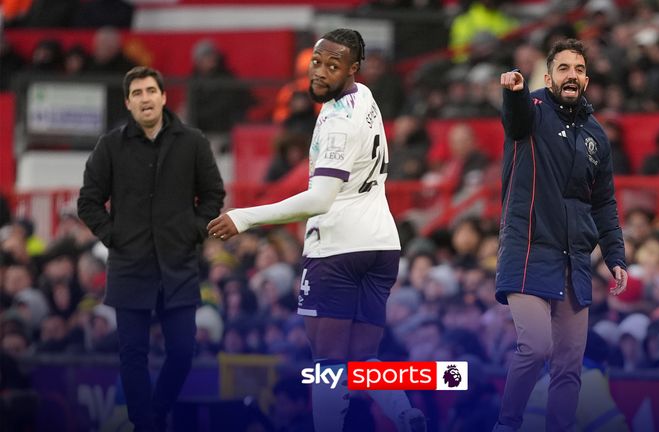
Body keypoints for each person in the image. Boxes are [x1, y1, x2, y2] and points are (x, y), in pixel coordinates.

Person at [207, 29, 425, 432]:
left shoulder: (339, 122)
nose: (321, 72)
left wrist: (245, 217)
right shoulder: (365, 97)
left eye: (333, 66)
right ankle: (403, 413)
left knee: (327, 360)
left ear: (353, 69)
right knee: (363, 357)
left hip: (339, 247)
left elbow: (320, 199)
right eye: (317, 62)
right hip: (381, 244)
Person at [77, 66, 225, 432]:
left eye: (150, 90)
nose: (145, 98)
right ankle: (144, 424)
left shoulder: (193, 141)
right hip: (129, 265)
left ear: (163, 96)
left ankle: (154, 416)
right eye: (137, 93)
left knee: (181, 351)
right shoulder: (110, 145)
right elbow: (88, 202)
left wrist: (192, 232)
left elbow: (213, 196)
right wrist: (114, 236)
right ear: (128, 103)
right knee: (132, 355)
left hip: (178, 263)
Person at [494, 39, 628, 432]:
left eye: (580, 69)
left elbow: (604, 203)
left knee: (570, 364)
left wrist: (616, 255)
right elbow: (514, 122)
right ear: (549, 76)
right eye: (565, 68)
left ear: (586, 79)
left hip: (575, 257)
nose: (573, 75)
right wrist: (512, 93)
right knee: (536, 347)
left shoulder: (596, 135)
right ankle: (507, 424)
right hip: (527, 246)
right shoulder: (530, 109)